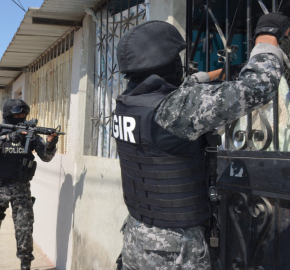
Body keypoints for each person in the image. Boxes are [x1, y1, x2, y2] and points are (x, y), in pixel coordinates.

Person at [113, 13, 289, 270]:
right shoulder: (176, 109)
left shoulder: (129, 104)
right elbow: (255, 88)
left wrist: (211, 76)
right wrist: (267, 38)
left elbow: (175, 94)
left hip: (138, 240)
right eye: (176, 60)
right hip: (174, 252)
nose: (180, 66)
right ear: (164, 65)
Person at [0, 99, 58, 270]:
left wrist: (50, 144)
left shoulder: (30, 134)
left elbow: (46, 157)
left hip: (22, 189)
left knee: (24, 230)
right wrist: (6, 138)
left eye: (23, 114)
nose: (21, 117)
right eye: (18, 114)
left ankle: (25, 265)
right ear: (8, 115)